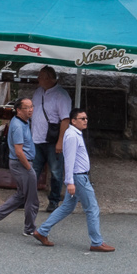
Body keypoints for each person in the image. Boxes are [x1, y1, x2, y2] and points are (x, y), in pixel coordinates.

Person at [33, 108, 113, 251]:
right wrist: (70, 182)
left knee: (66, 207)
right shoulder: (71, 136)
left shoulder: (75, 134)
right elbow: (68, 160)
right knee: (92, 208)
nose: (85, 121)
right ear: (73, 121)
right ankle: (96, 242)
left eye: (86, 118)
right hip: (79, 177)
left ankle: (42, 231)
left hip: (79, 176)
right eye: (82, 118)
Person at [0, 97, 39, 237]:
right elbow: (18, 151)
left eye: (31, 106)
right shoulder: (17, 126)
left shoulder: (24, 121)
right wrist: (29, 168)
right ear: (18, 110)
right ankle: (29, 228)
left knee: (22, 195)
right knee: (32, 199)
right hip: (22, 163)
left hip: (21, 163)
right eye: (27, 108)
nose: (30, 110)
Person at [30, 67, 72, 211]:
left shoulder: (61, 95)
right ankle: (29, 199)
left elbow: (65, 120)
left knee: (55, 171)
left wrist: (60, 141)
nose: (38, 79)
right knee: (33, 170)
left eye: (41, 76)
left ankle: (54, 200)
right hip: (36, 138)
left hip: (52, 140)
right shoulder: (38, 92)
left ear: (49, 78)